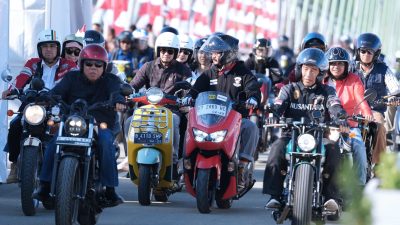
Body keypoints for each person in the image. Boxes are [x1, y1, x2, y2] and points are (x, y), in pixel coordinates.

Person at [34, 44, 125, 207]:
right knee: (53, 142)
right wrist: (46, 97)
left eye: (98, 65)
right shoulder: (71, 78)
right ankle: (44, 185)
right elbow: (57, 91)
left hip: (99, 123)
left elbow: (117, 92)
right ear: (81, 64)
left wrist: (119, 101)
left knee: (105, 143)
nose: (93, 68)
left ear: (104, 67)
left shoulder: (111, 80)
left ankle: (110, 190)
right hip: (72, 122)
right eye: (89, 64)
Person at [263, 48, 347, 214]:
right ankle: (274, 195)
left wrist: (340, 117)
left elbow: (335, 105)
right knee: (276, 148)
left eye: (313, 70)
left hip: (319, 137)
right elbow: (279, 104)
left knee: (334, 150)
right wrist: (274, 113)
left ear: (320, 72)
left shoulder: (327, 91)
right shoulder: (289, 89)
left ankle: (331, 197)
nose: (309, 73)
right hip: (291, 135)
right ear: (299, 69)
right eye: (306, 68)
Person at [185, 34, 260, 189]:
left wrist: (252, 98)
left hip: (235, 119)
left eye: (217, 53)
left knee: (251, 127)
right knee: (188, 123)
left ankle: (242, 168)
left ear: (229, 53)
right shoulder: (210, 73)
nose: (214, 56)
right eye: (212, 53)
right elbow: (195, 89)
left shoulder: (242, 72)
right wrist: (188, 97)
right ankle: (186, 164)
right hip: (210, 120)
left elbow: (253, 88)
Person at [2, 29, 76, 184]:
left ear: (58, 48)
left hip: (58, 106)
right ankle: (15, 164)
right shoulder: (33, 63)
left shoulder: (68, 65)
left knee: (67, 131)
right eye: (45, 46)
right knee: (15, 126)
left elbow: (77, 83)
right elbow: (21, 78)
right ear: (40, 49)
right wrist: (11, 91)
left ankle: (68, 168)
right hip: (34, 105)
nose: (48, 49)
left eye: (52, 46)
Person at [128, 31, 192, 178]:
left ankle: (174, 162)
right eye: (163, 50)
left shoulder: (183, 70)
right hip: (147, 109)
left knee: (175, 122)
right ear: (158, 50)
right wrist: (128, 92)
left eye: (170, 51)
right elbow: (134, 84)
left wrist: (185, 99)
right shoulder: (148, 66)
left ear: (175, 52)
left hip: (170, 111)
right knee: (128, 123)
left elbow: (189, 88)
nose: (166, 54)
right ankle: (132, 159)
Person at [323, 47, 373, 185]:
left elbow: (359, 98)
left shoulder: (354, 79)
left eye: (340, 63)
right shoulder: (322, 80)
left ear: (346, 65)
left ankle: (359, 185)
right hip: (324, 126)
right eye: (332, 63)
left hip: (349, 126)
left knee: (358, 146)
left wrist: (367, 113)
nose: (336, 67)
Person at [351, 33, 400, 164]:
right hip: (352, 110)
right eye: (363, 51)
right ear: (358, 51)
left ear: (376, 54)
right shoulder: (350, 68)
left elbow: (395, 88)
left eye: (370, 52)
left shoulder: (383, 69)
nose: (366, 54)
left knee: (380, 127)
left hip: (374, 111)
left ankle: (378, 165)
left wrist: (394, 97)